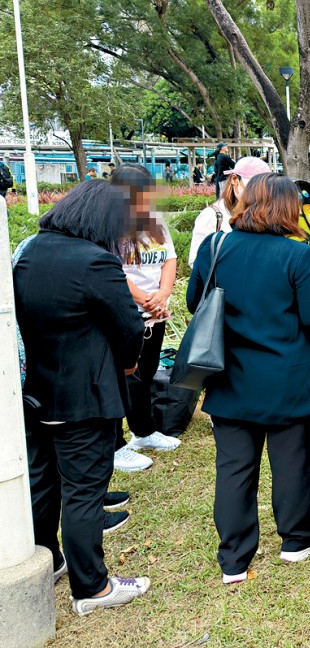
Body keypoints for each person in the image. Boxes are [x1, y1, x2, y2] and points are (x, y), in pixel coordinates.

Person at [188, 174, 310, 585]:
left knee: (234, 469)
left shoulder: (214, 247)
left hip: (229, 375)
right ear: (288, 208)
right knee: (292, 463)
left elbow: (194, 302)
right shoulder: (297, 256)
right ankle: (297, 540)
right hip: (286, 379)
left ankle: (234, 561)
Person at [15, 181, 150, 613]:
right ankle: (92, 587)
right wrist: (128, 364)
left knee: (43, 484)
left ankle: (48, 559)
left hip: (35, 392)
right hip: (86, 398)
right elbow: (129, 328)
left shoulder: (29, 251)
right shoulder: (96, 260)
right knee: (83, 492)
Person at [108, 165, 180, 474]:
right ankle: (115, 445)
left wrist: (162, 295)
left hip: (155, 314)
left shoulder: (155, 221)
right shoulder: (110, 226)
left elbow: (169, 259)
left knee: (146, 374)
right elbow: (111, 269)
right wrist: (144, 299)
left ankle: (143, 432)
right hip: (126, 314)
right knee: (119, 380)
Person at [188, 157, 272, 267]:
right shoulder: (212, 216)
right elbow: (196, 261)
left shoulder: (266, 213)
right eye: (251, 187)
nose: (256, 194)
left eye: (262, 190)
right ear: (234, 179)